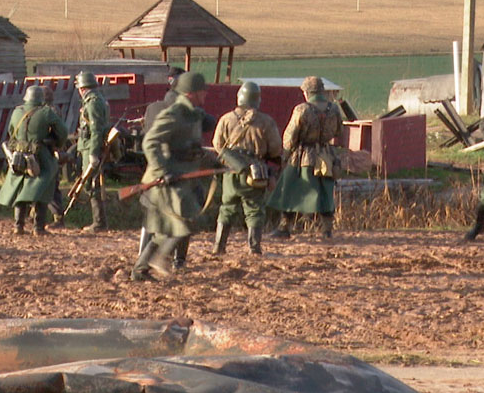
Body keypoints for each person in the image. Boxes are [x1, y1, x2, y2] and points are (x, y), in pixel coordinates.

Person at [132, 72, 214, 280]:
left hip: (182, 177)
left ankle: (140, 270)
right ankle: (157, 259)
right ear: (190, 93)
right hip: (166, 179)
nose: (205, 93)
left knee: (166, 229)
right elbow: (150, 142)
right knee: (183, 222)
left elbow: (191, 147)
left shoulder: (193, 114)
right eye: (201, 90)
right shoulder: (175, 113)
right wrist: (163, 171)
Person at [266, 76, 344, 239]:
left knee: (290, 190)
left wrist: (285, 155)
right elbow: (339, 132)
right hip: (326, 156)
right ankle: (327, 230)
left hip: (303, 158)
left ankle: (285, 227)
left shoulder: (302, 109)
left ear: (307, 92)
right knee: (326, 192)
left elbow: (290, 135)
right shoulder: (334, 109)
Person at [211, 81, 282, 255]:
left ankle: (219, 247)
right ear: (257, 99)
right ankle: (254, 248)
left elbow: (218, 145)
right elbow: (275, 149)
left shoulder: (226, 119)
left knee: (227, 207)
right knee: (254, 209)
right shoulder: (266, 122)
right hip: (254, 173)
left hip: (231, 171)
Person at [0, 85, 69, 235]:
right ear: (41, 98)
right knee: (43, 188)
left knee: (19, 187)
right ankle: (38, 228)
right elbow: (62, 132)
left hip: (18, 155)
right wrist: (56, 144)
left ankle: (18, 226)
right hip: (40, 155)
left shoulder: (17, 111)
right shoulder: (46, 112)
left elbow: (11, 133)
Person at [74, 71, 110, 231]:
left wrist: (93, 153)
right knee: (90, 183)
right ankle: (99, 222)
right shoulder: (94, 100)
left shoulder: (93, 102)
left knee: (91, 184)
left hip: (90, 147)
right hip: (87, 145)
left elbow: (96, 130)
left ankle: (99, 223)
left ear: (82, 88)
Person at [41, 86, 69, 228]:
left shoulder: (50, 111)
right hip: (48, 150)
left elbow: (56, 133)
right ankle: (37, 215)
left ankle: (58, 218)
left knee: (51, 186)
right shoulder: (51, 109)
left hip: (51, 151)